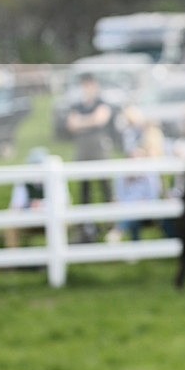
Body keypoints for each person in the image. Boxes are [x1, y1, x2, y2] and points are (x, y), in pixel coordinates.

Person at [66, 72, 113, 242]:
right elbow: (71, 124)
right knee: (84, 192)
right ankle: (85, 228)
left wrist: (82, 122)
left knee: (105, 188)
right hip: (83, 152)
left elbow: (99, 120)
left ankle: (111, 226)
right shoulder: (77, 105)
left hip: (98, 152)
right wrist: (88, 120)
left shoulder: (102, 104)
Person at [106, 123, 165, 243]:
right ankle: (134, 244)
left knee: (134, 212)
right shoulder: (121, 175)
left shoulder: (150, 173)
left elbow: (152, 196)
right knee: (131, 213)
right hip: (127, 207)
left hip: (144, 207)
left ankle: (119, 231)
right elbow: (119, 196)